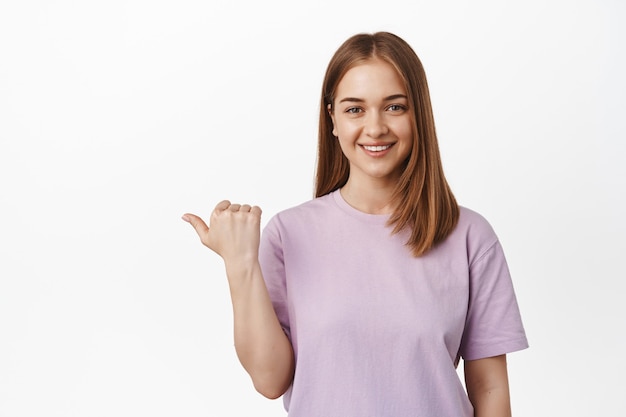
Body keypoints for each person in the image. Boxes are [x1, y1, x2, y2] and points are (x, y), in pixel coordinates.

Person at [182, 31, 528, 417]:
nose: (375, 127)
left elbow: (490, 387)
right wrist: (240, 264)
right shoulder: (287, 235)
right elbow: (269, 379)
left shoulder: (469, 237)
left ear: (419, 113)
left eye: (395, 107)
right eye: (354, 109)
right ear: (332, 119)